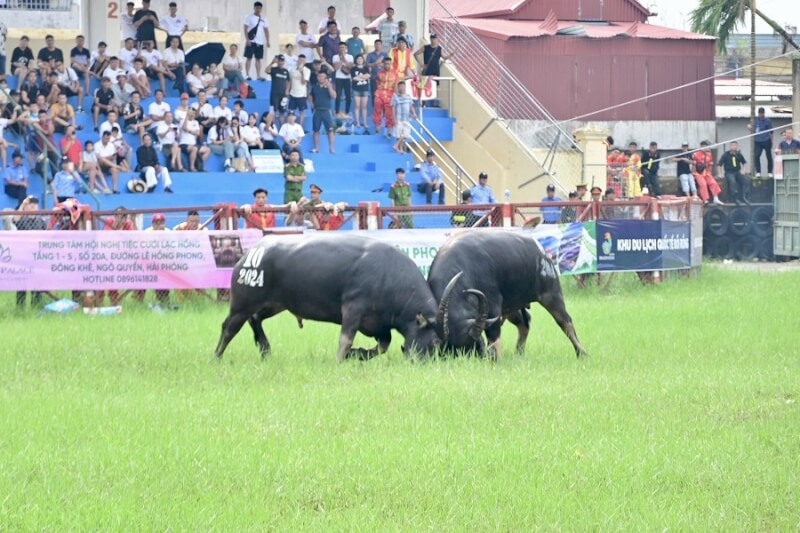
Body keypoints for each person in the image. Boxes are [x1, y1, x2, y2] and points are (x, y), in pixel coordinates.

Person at [12, 196, 47, 308]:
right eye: (31, 205)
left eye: (35, 205)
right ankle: (20, 307)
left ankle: (36, 306)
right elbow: (15, 219)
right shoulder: (22, 220)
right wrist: (23, 204)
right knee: (22, 284)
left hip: (37, 257)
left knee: (37, 284)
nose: (33, 207)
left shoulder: (41, 222)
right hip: (23, 256)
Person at [308, 70, 336, 154]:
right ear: (317, 77)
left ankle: (331, 148)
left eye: (323, 77)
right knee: (316, 130)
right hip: (317, 111)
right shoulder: (314, 87)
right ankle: (316, 148)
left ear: (325, 78)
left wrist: (329, 87)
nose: (321, 78)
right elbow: (309, 95)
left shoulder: (330, 86)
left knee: (330, 130)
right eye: (319, 76)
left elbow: (334, 96)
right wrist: (311, 103)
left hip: (327, 111)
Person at [243, 1, 271, 81]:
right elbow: (245, 28)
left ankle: (258, 75)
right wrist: (247, 39)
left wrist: (268, 41)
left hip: (260, 42)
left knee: (258, 59)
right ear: (254, 8)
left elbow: (266, 30)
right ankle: (247, 75)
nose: (258, 9)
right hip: (251, 41)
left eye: (259, 8)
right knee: (249, 58)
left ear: (261, 9)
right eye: (257, 8)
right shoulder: (249, 17)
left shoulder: (264, 19)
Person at [717, 141, 750, 205]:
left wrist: (744, 170)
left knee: (746, 181)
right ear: (730, 146)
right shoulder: (726, 154)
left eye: (735, 145)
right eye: (733, 145)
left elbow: (744, 162)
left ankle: (744, 197)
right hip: (729, 172)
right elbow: (719, 164)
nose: (734, 147)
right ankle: (735, 198)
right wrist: (720, 173)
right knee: (732, 181)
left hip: (737, 172)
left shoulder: (739, 154)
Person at [692, 141, 723, 205]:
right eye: (703, 146)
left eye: (706, 146)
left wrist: (711, 174)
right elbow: (693, 165)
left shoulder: (709, 154)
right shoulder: (695, 154)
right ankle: (705, 199)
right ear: (701, 146)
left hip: (707, 173)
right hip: (698, 173)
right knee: (703, 184)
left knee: (713, 182)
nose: (704, 147)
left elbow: (711, 165)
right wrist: (693, 174)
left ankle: (716, 198)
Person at [373, 57, 398, 137]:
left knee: (389, 112)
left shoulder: (395, 74)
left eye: (389, 64)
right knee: (377, 110)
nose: (387, 65)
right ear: (383, 64)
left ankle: (389, 131)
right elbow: (377, 82)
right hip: (379, 93)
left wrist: (396, 96)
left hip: (390, 94)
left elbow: (396, 85)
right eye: (386, 64)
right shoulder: (379, 73)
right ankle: (377, 129)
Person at [391, 80, 415, 153]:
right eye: (400, 87)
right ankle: (400, 148)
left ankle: (396, 145)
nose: (401, 88)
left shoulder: (408, 96)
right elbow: (393, 108)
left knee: (405, 134)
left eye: (402, 86)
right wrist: (394, 119)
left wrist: (414, 113)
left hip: (406, 119)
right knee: (400, 134)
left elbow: (411, 106)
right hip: (399, 118)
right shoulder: (395, 97)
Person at [749, 107, 773, 177]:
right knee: (756, 156)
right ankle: (758, 172)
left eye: (762, 113)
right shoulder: (756, 121)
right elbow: (752, 130)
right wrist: (749, 127)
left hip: (766, 140)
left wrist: (771, 141)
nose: (761, 114)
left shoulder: (767, 121)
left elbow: (771, 132)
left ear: (764, 113)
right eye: (760, 113)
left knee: (768, 156)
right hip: (758, 141)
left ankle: (769, 172)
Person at [265, 54, 289, 123]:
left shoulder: (286, 71)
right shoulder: (274, 69)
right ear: (277, 61)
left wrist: (287, 90)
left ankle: (282, 129)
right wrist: (272, 62)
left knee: (282, 112)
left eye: (282, 61)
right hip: (274, 94)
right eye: (280, 61)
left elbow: (288, 81)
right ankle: (273, 127)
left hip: (283, 95)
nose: (281, 62)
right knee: (273, 111)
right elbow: (266, 71)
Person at [350, 54, 371, 131]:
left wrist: (360, 78)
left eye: (361, 59)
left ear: (363, 60)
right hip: (356, 89)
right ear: (356, 60)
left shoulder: (366, 68)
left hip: (365, 89)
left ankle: (365, 122)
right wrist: (363, 77)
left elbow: (368, 76)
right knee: (357, 106)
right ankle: (358, 122)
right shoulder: (353, 68)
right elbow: (354, 78)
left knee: (364, 107)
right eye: (358, 59)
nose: (359, 60)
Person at [287, 53, 310, 124]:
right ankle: (290, 125)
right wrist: (287, 90)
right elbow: (290, 81)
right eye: (300, 60)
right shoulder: (292, 70)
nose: (301, 62)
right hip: (293, 93)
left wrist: (301, 72)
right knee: (291, 111)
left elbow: (304, 82)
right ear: (297, 60)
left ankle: (300, 127)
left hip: (302, 94)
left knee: (301, 112)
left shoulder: (307, 70)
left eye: (303, 60)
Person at [332, 42, 353, 116]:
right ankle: (337, 111)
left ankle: (347, 111)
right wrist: (340, 60)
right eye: (340, 47)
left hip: (347, 78)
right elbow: (335, 68)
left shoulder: (350, 56)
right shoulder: (335, 56)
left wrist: (344, 58)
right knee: (338, 96)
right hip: (338, 78)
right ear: (338, 48)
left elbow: (350, 67)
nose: (342, 49)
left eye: (343, 47)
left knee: (348, 96)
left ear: (346, 48)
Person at [366, 39, 387, 105]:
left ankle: (383, 110)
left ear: (381, 46)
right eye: (376, 44)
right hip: (374, 77)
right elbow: (367, 64)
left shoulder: (385, 54)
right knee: (374, 93)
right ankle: (375, 110)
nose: (378, 45)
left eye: (379, 44)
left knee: (384, 93)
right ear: (374, 45)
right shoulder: (370, 55)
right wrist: (375, 63)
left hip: (384, 77)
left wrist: (381, 64)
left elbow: (388, 64)